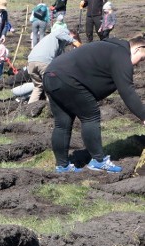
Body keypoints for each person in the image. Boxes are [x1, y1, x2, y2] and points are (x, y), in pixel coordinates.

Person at [44, 35, 145, 173]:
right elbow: (128, 91)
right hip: (67, 78)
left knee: (63, 123)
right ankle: (98, 161)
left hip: (51, 74)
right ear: (138, 48)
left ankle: (62, 166)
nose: (138, 64)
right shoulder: (122, 54)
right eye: (141, 58)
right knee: (91, 116)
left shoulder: (109, 47)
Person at [26, 28, 80, 103]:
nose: (70, 42)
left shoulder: (55, 43)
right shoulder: (61, 31)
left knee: (38, 86)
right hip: (43, 62)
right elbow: (59, 34)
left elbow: (59, 59)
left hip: (31, 61)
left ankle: (29, 108)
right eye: (73, 37)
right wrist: (74, 41)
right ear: (69, 34)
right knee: (50, 85)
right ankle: (51, 107)